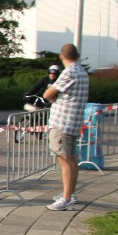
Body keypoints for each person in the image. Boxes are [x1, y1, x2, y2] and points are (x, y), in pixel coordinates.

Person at [43, 43, 89, 211]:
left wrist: (53, 98)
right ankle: (70, 193)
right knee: (72, 159)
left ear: (61, 56)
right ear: (77, 55)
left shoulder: (69, 72)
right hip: (74, 121)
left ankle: (66, 199)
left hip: (62, 122)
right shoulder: (82, 71)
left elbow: (47, 94)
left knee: (64, 160)